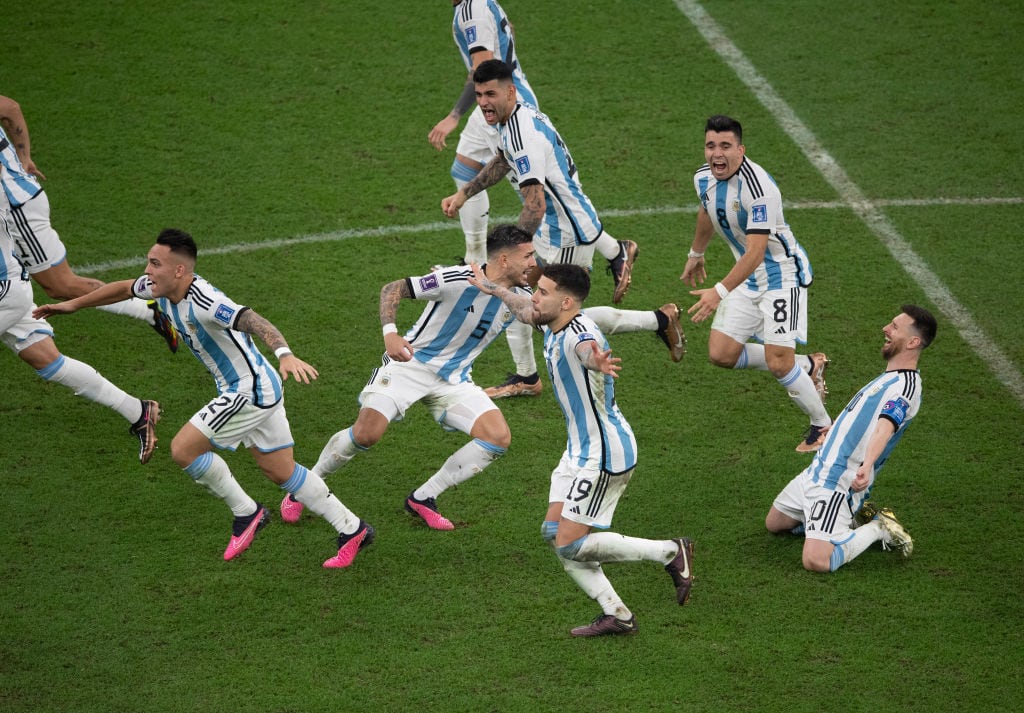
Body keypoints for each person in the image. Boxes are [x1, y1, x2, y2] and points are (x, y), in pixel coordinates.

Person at [33, 228, 373, 567]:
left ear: (179, 270)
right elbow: (122, 289)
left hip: (249, 390)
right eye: (148, 262)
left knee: (183, 449)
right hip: (257, 385)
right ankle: (352, 529)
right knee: (281, 471)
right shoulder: (158, 287)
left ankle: (247, 513)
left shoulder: (208, 302)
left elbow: (253, 320)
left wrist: (285, 353)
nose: (147, 271)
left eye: (155, 263)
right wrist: (73, 305)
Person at [469, 262, 694, 637]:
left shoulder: (579, 334)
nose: (535, 297)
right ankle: (617, 614)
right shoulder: (552, 318)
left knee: (570, 544)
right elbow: (524, 310)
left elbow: (589, 350)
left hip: (604, 454)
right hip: (579, 449)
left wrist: (597, 361)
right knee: (554, 533)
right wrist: (492, 287)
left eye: (543, 291)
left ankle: (670, 552)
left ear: (567, 301)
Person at [283, 224, 536, 531]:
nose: (534, 263)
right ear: (505, 260)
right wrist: (390, 334)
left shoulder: (517, 294)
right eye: (528, 256)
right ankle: (305, 487)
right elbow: (392, 289)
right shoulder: (455, 278)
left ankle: (423, 498)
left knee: (497, 438)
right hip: (410, 365)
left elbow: (532, 315)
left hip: (454, 379)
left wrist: (495, 289)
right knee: (366, 434)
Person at [441, 59, 647, 398]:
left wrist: (515, 253)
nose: (482, 102)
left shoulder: (523, 134)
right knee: (526, 302)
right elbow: (503, 160)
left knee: (549, 313)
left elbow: (535, 204)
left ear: (510, 91)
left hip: (566, 232)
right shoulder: (513, 121)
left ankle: (647, 327)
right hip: (557, 228)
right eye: (478, 95)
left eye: (490, 94)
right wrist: (465, 193)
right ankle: (528, 376)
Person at [681, 114, 831, 453]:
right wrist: (696, 252)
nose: (716, 154)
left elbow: (756, 252)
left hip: (781, 277)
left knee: (779, 362)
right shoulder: (703, 178)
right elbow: (707, 211)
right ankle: (808, 365)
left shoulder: (759, 189)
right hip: (746, 276)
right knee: (721, 353)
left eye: (725, 146)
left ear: (741, 149)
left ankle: (823, 426)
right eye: (710, 146)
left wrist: (718, 293)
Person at [765, 305, 937, 572]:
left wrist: (867, 465)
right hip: (817, 471)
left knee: (816, 560)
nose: (885, 329)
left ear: (913, 342)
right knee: (775, 524)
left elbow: (885, 427)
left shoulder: (907, 386)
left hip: (837, 481)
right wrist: (835, 430)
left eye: (894, 327)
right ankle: (836, 523)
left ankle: (878, 528)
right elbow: (863, 417)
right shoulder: (890, 377)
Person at [0, 94, 178, 353]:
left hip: (16, 209)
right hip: (13, 205)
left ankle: (148, 308)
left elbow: (10, 108)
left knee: (60, 285)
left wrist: (23, 157)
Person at [0, 200, 160, 464]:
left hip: (5, 290)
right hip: (12, 284)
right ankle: (138, 411)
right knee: (45, 359)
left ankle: (147, 310)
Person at [428, 0, 540, 267]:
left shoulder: (471, 9)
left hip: (502, 107)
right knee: (464, 169)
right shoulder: (482, 3)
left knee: (532, 194)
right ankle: (475, 261)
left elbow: (482, 71)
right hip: (498, 102)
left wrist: (454, 116)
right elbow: (506, 31)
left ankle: (605, 250)